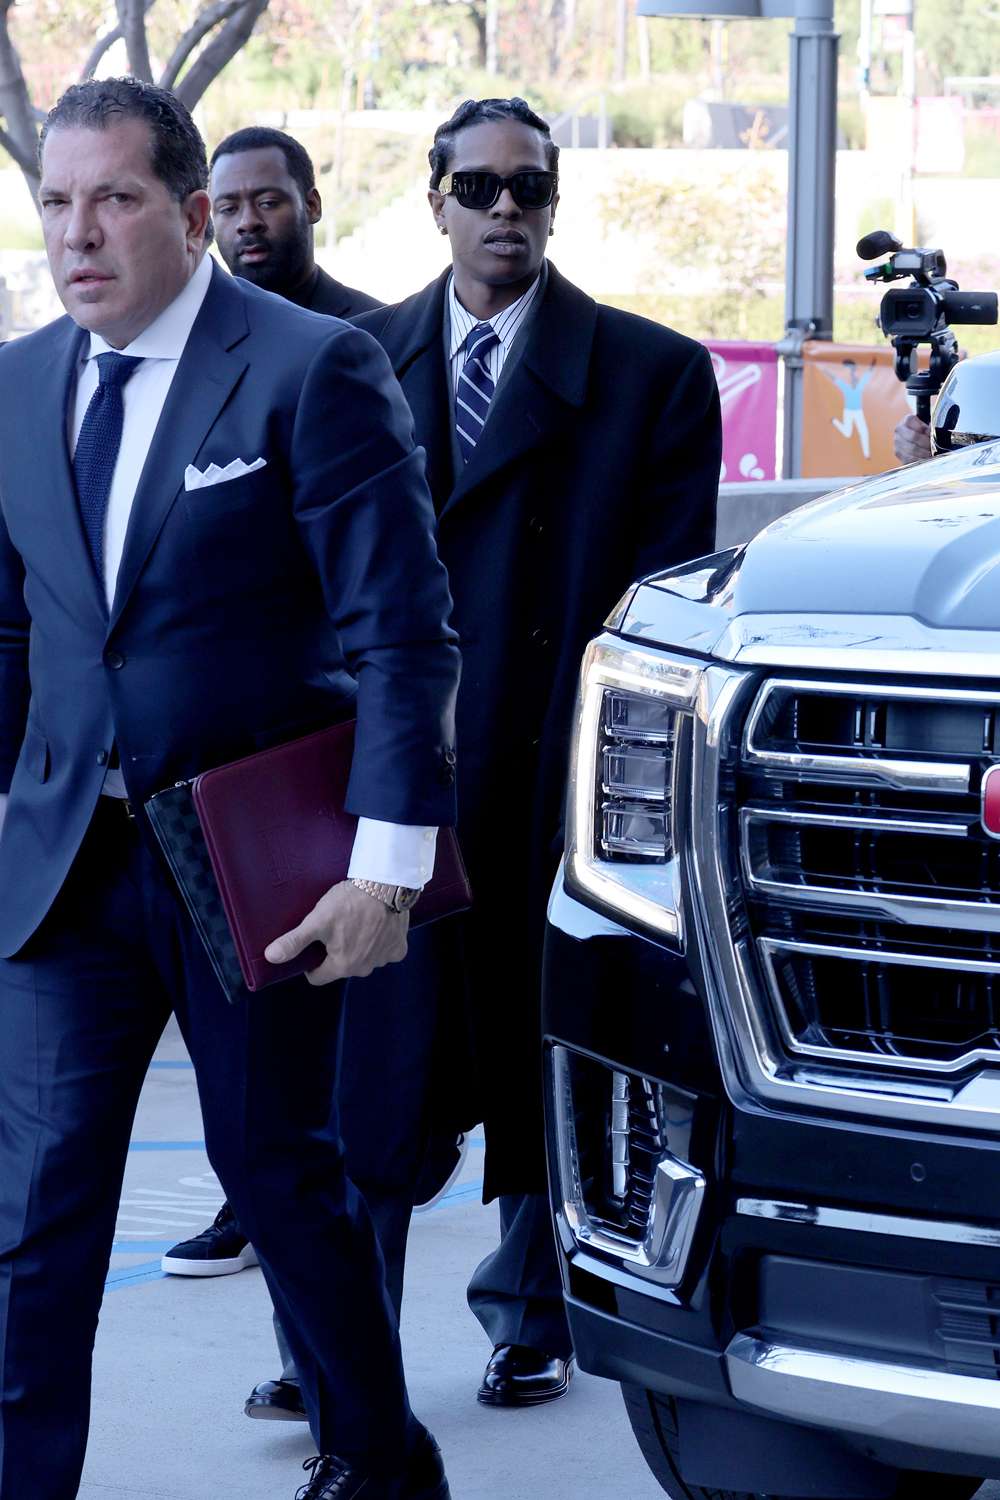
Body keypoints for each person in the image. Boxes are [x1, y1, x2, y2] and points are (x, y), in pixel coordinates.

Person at [0, 76, 460, 1500]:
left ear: (192, 215)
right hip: (67, 861)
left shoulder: (308, 368)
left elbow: (402, 631)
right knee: (34, 1209)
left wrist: (387, 869)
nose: (80, 236)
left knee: (281, 1182)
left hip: (255, 872)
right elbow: (16, 628)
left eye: (116, 200)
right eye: (56, 205)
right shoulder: (17, 382)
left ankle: (380, 1466)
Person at [238, 94, 721, 1421]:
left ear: (555, 202)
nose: (506, 209)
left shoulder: (651, 374)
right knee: (367, 1074)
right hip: (384, 786)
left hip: (549, 787)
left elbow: (664, 615)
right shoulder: (346, 358)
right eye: (480, 187)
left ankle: (531, 1316)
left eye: (530, 187)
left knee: (540, 1057)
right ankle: (335, 1340)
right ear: (434, 200)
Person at [209, 125, 381, 317]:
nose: (247, 222)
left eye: (267, 203)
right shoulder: (197, 331)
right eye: (229, 209)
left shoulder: (378, 328)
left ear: (312, 205)